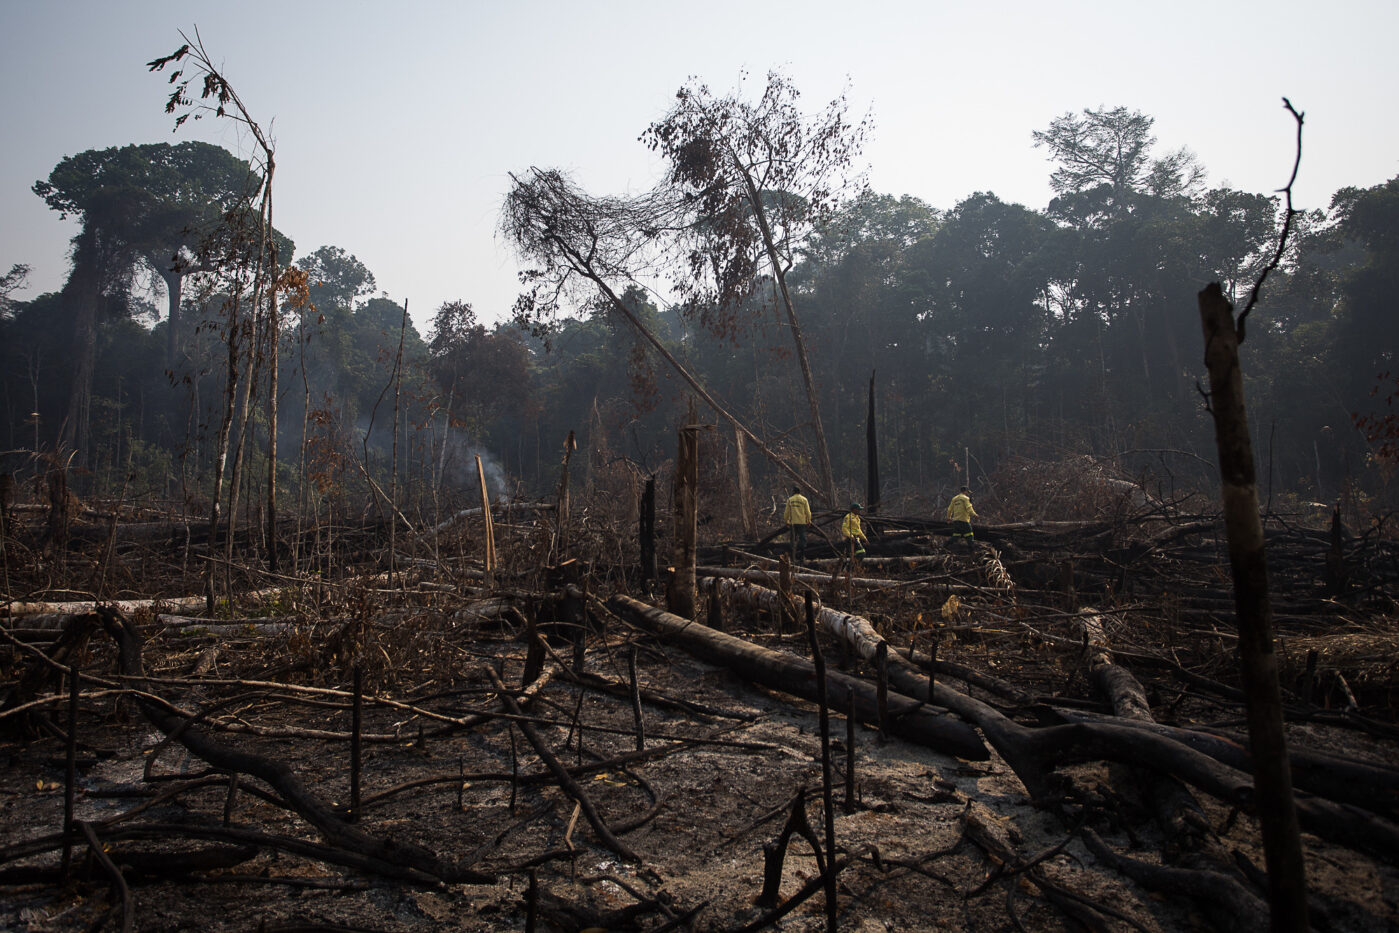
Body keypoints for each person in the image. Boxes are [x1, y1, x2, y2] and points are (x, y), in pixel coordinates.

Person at [783, 486, 811, 562]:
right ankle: (802, 556)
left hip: (793, 523)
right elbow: (808, 512)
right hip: (802, 522)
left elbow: (786, 512)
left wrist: (786, 521)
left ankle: (792, 558)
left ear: (793, 492)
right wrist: (809, 520)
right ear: (800, 492)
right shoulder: (804, 499)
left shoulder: (790, 500)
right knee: (802, 539)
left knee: (793, 540)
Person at [946, 486, 978, 552]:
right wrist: (975, 515)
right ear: (965, 491)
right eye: (967, 492)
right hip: (964, 521)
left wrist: (948, 518)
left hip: (956, 521)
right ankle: (972, 550)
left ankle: (945, 545)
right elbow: (969, 508)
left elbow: (949, 509)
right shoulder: (965, 499)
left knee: (956, 536)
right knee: (969, 534)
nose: (968, 494)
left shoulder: (954, 498)